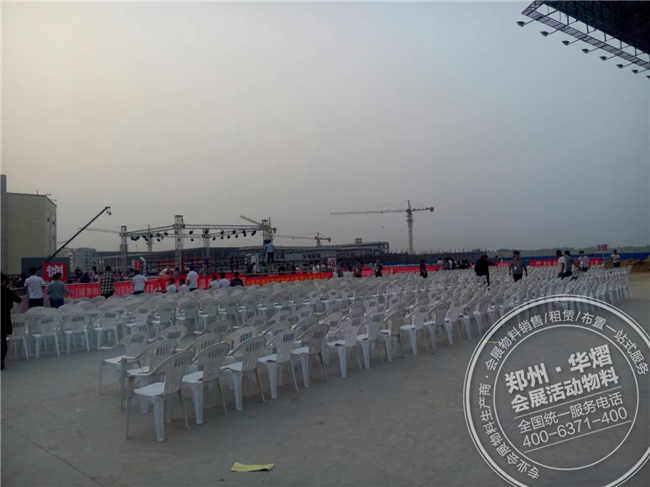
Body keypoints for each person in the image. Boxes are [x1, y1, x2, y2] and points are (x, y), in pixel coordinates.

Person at [2, 273, 23, 370]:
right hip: (5, 317)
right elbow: (19, 300)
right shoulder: (8, 291)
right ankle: (2, 360)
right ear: (5, 282)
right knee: (3, 340)